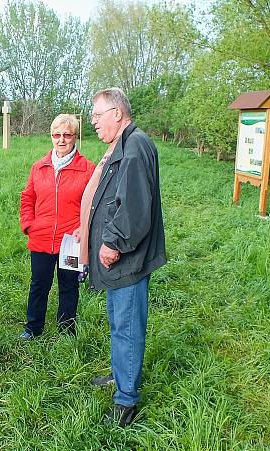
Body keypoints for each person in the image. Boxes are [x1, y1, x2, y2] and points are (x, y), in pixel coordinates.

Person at [77, 87, 166, 427]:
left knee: (127, 327)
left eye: (98, 116)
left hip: (127, 259)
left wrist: (111, 242)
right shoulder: (125, 143)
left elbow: (134, 206)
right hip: (121, 259)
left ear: (117, 113)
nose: (94, 122)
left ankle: (126, 400)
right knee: (118, 323)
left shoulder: (133, 146)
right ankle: (121, 377)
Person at [18, 114, 95, 339]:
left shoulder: (88, 169)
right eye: (56, 135)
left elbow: (93, 205)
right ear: (51, 136)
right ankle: (33, 328)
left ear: (75, 137)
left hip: (70, 241)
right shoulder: (39, 167)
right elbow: (27, 197)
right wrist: (28, 224)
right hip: (40, 238)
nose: (61, 140)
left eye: (67, 135)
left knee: (69, 286)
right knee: (39, 284)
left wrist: (84, 228)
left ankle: (66, 329)